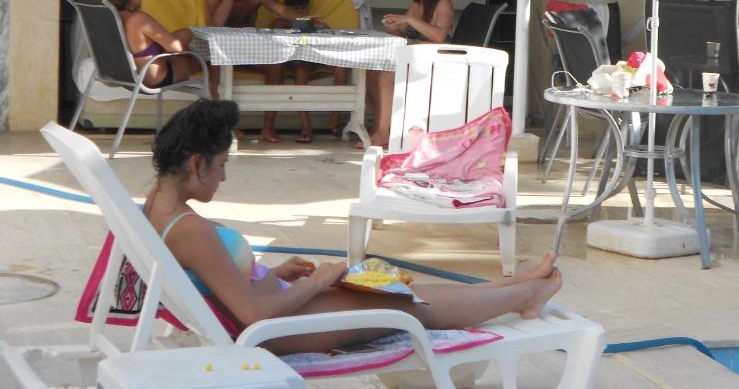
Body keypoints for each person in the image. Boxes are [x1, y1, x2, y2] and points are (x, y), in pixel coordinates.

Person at [144, 99, 562, 355]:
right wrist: (319, 280)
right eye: (221, 165)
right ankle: (524, 295)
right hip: (272, 331)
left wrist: (277, 274)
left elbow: (219, 282)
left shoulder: (156, 206)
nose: (223, 176)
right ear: (196, 163)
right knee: (406, 306)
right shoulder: (189, 230)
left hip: (274, 308)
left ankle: (510, 286)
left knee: (398, 292)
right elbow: (253, 314)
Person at [204, 0, 301, 143]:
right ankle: (227, 127)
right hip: (220, 50)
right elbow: (216, 26)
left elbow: (282, 10)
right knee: (217, 66)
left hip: (247, 50)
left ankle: (268, 126)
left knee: (277, 65)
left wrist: (304, 18)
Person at [367, 0, 455, 147]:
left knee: (386, 75)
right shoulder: (416, 6)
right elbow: (408, 32)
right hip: (415, 59)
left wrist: (410, 20)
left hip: (436, 61)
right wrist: (395, 28)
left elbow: (439, 36)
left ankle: (383, 132)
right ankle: (381, 126)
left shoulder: (443, 4)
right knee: (371, 73)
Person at [269, 0, 349, 144]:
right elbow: (275, 32)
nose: (300, 11)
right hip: (297, 60)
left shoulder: (315, 21)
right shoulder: (280, 23)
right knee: (301, 69)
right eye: (296, 8)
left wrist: (322, 26)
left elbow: (332, 37)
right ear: (286, 7)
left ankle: (335, 119)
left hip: (317, 57)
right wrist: (298, 23)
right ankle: (306, 127)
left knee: (341, 66)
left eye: (303, 7)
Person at [105, 0, 202, 88]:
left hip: (125, 76)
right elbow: (175, 47)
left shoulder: (109, 16)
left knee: (181, 49)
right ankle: (214, 91)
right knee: (193, 49)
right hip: (153, 78)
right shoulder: (138, 19)